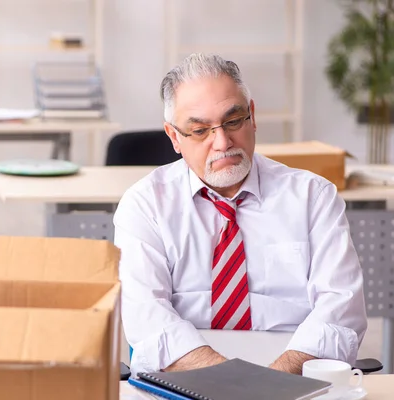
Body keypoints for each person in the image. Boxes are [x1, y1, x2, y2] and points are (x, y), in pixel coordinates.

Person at [113, 53, 367, 376]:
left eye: (233, 121)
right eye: (200, 131)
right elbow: (148, 321)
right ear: (175, 137)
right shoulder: (145, 205)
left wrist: (268, 385)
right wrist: (235, 384)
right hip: (190, 378)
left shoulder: (313, 198)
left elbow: (341, 312)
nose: (222, 142)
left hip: (293, 379)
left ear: (252, 116)